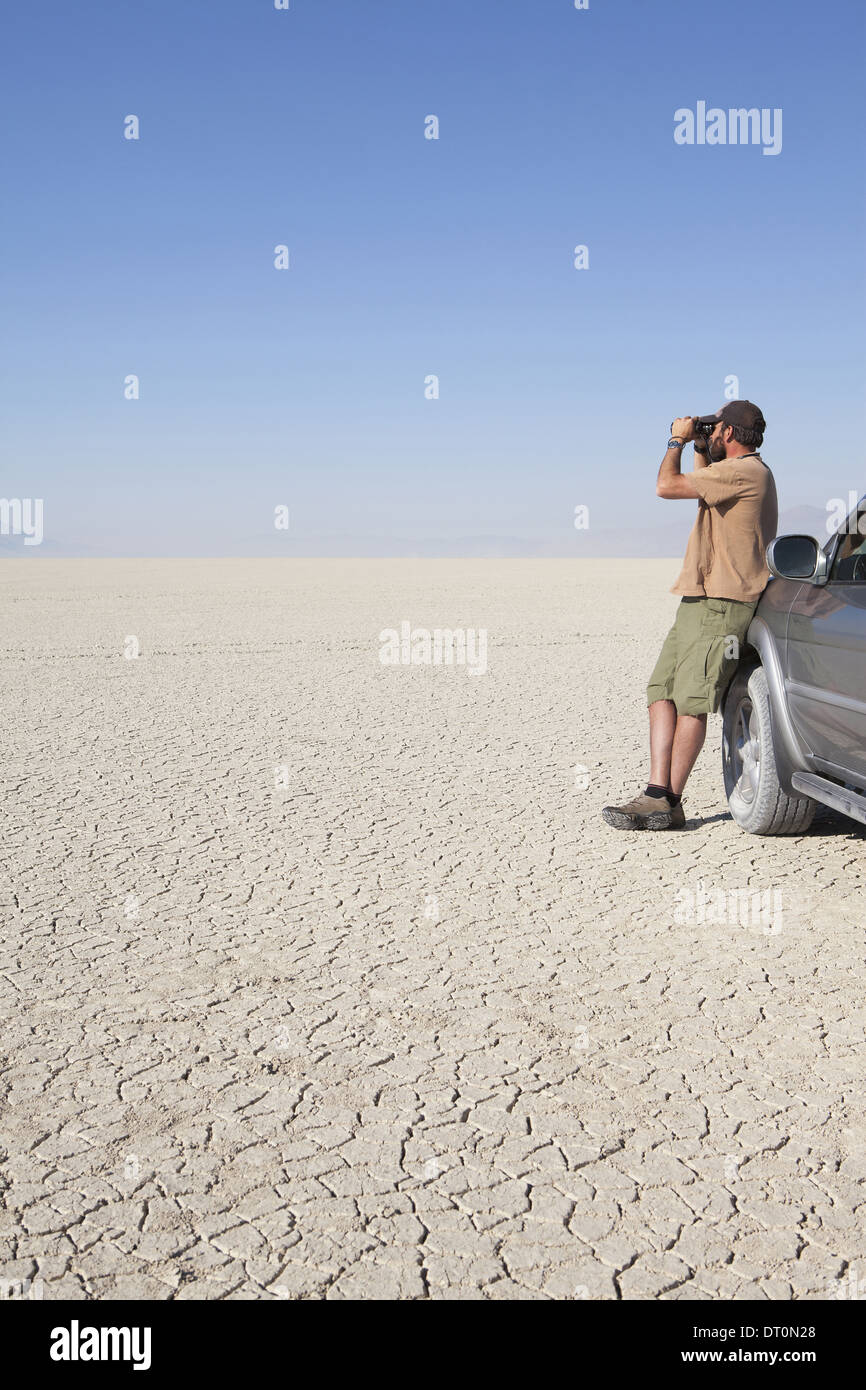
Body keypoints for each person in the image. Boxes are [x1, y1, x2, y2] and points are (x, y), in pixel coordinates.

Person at [602, 400, 778, 831]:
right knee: (661, 690)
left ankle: (668, 801)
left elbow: (667, 486)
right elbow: (702, 485)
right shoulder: (733, 472)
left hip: (723, 602)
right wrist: (702, 446)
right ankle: (654, 793)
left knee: (692, 701)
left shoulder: (745, 471)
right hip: (699, 598)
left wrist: (676, 440)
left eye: (714, 428)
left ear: (730, 433)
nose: (709, 432)